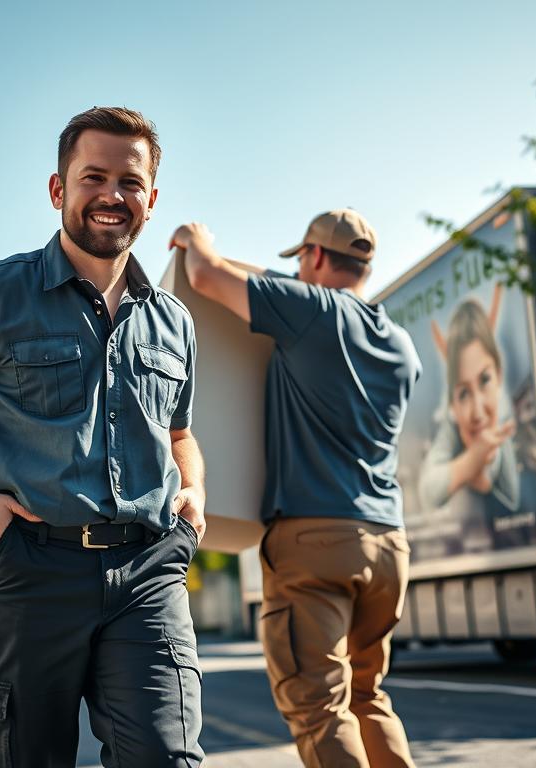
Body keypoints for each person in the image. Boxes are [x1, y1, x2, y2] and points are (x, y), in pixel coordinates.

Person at [0, 106, 205, 768]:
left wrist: (195, 491)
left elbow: (180, 433)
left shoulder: (175, 321)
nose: (112, 196)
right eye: (94, 177)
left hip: (148, 571)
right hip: (30, 569)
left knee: (166, 758)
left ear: (151, 198)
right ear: (58, 189)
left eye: (130, 182)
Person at [171, 209, 421, 768]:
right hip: (387, 544)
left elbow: (207, 276)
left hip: (315, 540)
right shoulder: (401, 345)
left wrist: (195, 239)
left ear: (312, 257)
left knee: (319, 709)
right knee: (368, 696)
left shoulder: (312, 311)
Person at [419, 289, 519, 516]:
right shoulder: (451, 427)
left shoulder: (502, 414)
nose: (477, 411)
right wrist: (472, 460)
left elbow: (488, 475)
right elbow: (428, 491)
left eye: (484, 380)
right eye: (463, 393)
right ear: (453, 402)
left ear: (499, 376)